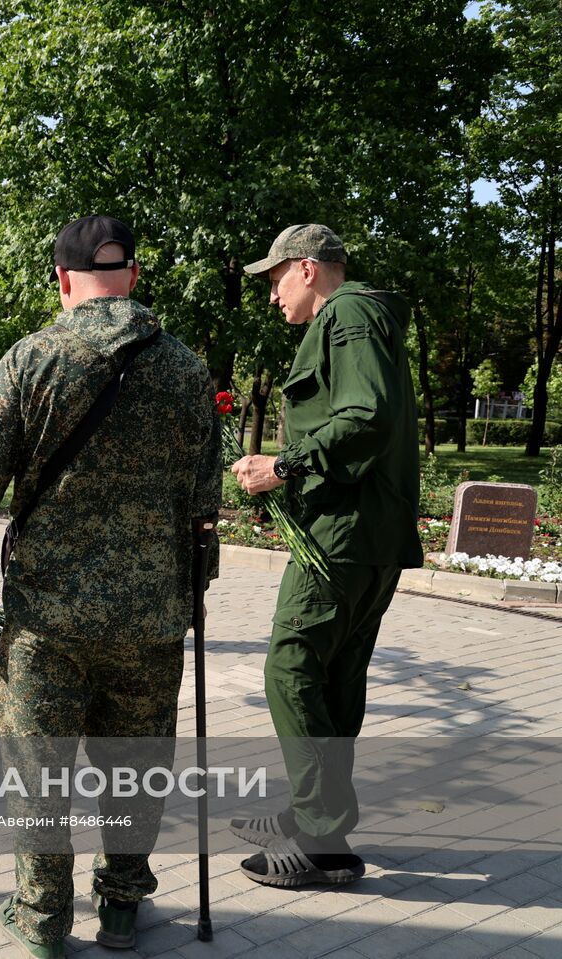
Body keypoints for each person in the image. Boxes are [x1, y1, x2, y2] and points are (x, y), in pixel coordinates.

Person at [0, 215, 223, 956]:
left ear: (62, 279)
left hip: (47, 620)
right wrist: (194, 587)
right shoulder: (187, 370)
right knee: (137, 766)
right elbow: (204, 502)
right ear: (135, 277)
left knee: (37, 768)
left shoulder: (32, 360)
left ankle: (42, 918)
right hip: (152, 617)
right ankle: (121, 906)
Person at [231, 224, 422, 887]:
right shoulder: (362, 314)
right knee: (335, 676)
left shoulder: (345, 314)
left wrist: (282, 464)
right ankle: (325, 830)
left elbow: (365, 413)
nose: (272, 294)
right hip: (367, 533)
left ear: (307, 269)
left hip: (345, 534)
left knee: (290, 666)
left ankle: (319, 827)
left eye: (276, 278)